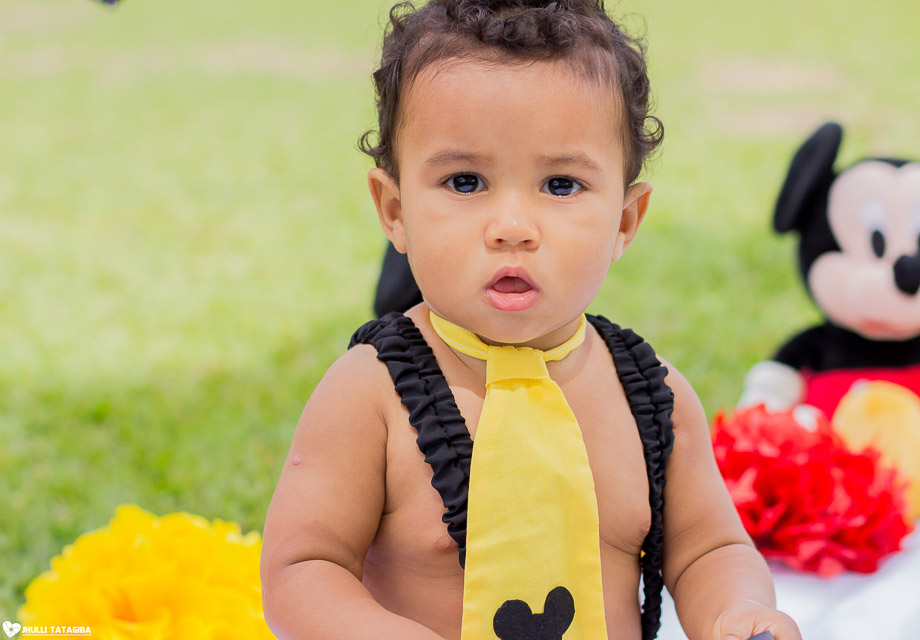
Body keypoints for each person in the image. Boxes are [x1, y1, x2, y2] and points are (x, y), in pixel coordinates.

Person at [260, 1, 802, 639]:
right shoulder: (370, 395)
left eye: (562, 185)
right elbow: (303, 567)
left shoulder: (652, 400)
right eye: (465, 182)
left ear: (625, 221)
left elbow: (710, 549)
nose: (512, 228)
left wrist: (736, 612)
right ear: (395, 209)